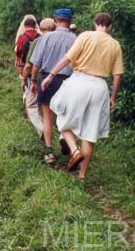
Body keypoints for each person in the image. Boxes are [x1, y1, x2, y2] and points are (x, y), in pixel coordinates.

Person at [42, 13, 124, 181]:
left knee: (62, 119)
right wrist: (113, 97)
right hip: (100, 87)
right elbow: (117, 76)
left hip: (79, 81)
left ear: (95, 23)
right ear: (110, 27)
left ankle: (74, 150)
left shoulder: (85, 36)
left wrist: (51, 75)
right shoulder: (115, 45)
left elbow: (67, 58)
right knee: (90, 132)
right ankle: (82, 175)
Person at [30, 8, 77, 164]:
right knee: (67, 115)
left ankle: (49, 152)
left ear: (56, 21)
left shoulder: (46, 38)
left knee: (48, 117)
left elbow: (36, 63)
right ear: (70, 22)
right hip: (69, 81)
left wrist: (32, 81)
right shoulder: (75, 39)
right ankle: (66, 140)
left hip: (48, 79)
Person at [21, 18, 55, 139]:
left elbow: (29, 64)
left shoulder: (37, 41)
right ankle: (63, 136)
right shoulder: (61, 40)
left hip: (39, 77)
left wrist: (25, 79)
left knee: (31, 105)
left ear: (40, 29)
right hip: (57, 78)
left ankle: (42, 130)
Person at [14, 15, 40, 94]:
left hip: (25, 65)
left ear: (25, 26)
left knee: (27, 84)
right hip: (37, 65)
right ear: (35, 26)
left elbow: (18, 51)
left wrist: (18, 60)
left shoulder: (21, 37)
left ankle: (28, 98)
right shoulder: (40, 36)